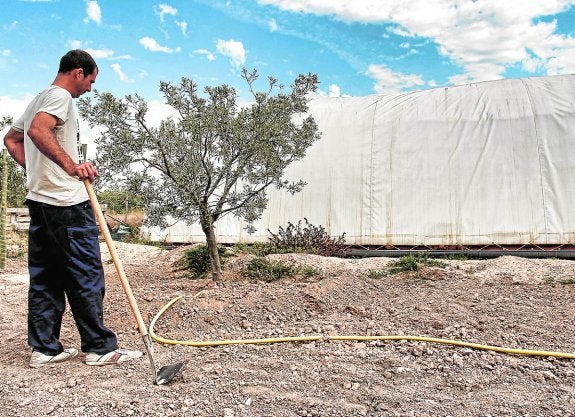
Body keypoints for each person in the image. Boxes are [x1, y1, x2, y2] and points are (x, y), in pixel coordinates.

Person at [3, 49, 142, 368]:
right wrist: (69, 166)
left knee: (46, 277)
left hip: (39, 202)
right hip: (66, 203)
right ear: (78, 72)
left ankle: (45, 349)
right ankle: (98, 348)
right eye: (91, 80)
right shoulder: (60, 97)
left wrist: (39, 171)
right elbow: (38, 131)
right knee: (86, 273)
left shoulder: (38, 98)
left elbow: (11, 140)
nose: (90, 89)